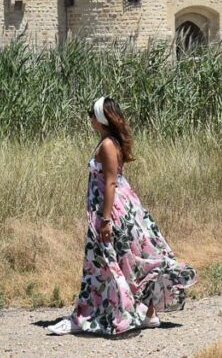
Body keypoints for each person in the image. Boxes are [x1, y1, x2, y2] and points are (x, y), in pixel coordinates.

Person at [49, 96, 197, 336]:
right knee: (128, 260)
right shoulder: (112, 142)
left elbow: (109, 183)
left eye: (90, 114)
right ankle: (145, 313)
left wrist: (105, 220)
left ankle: (91, 314)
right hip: (123, 207)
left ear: (98, 118)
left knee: (104, 260)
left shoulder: (107, 144)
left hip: (112, 211)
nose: (88, 119)